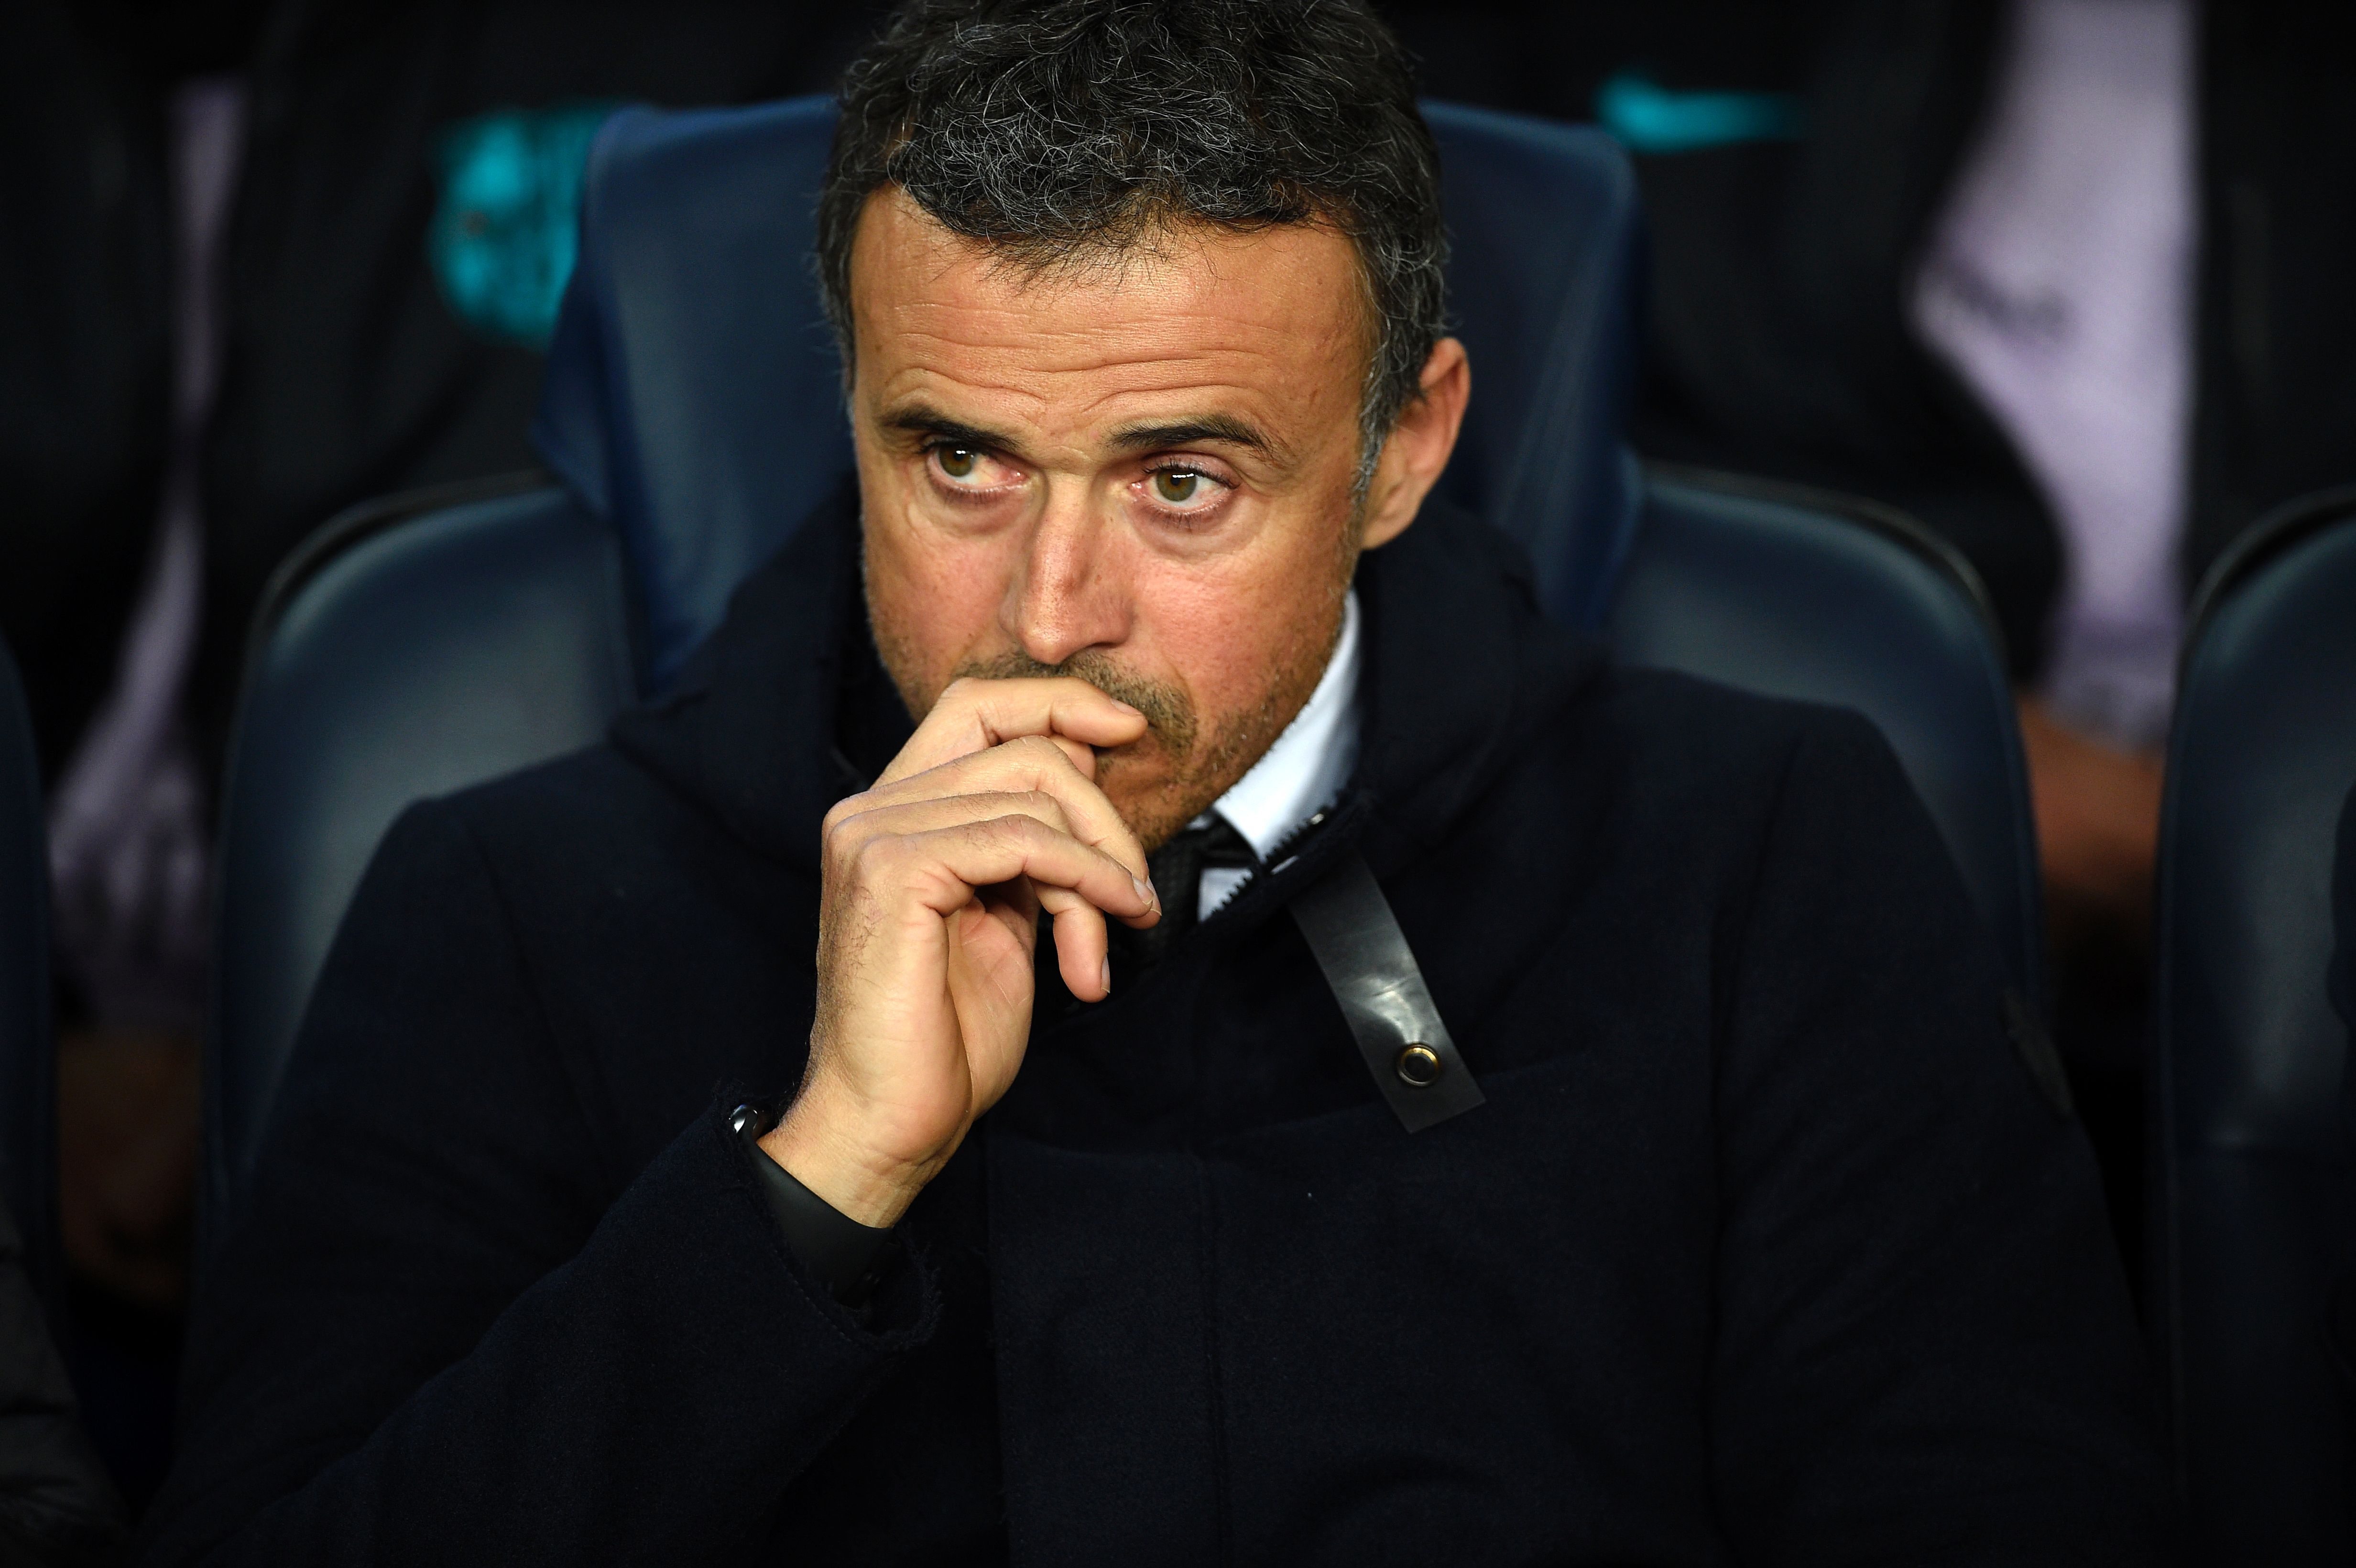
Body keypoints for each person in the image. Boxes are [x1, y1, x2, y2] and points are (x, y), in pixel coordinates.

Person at [142, 0, 2171, 1558]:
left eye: (1181, 481)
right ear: (843, 406)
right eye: (956, 462)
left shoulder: (1761, 864)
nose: (1047, 610)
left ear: (1402, 445)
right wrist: (814, 1181)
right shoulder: (507, 907)